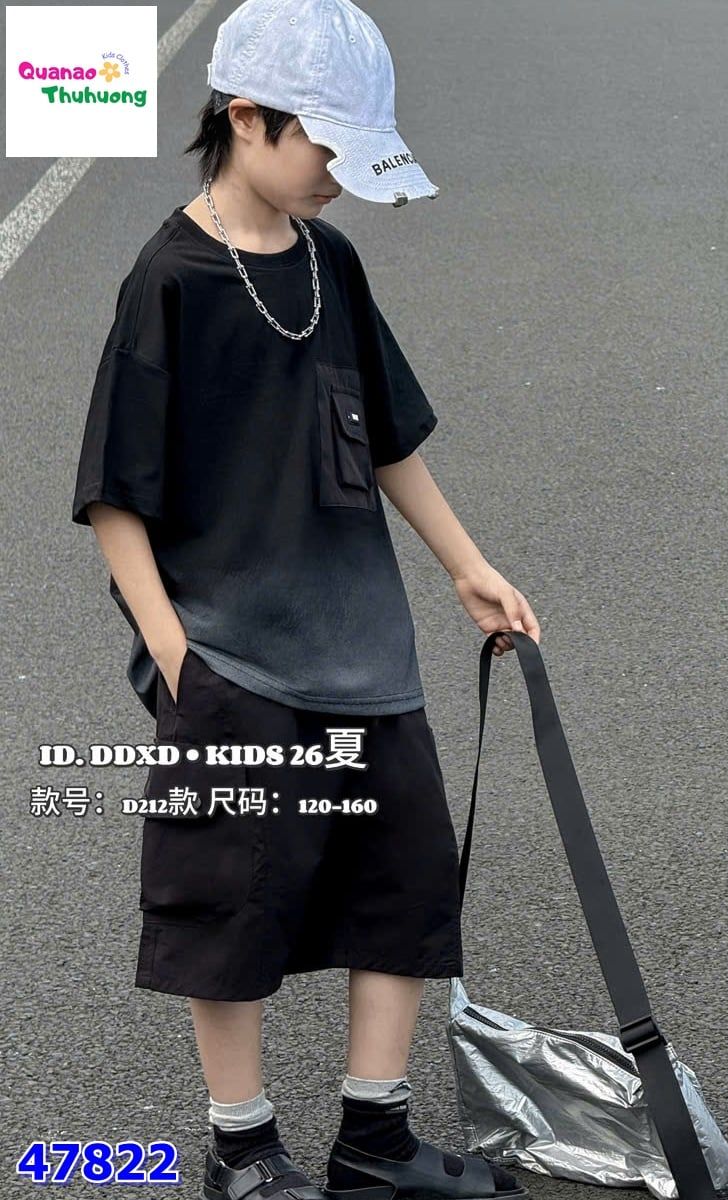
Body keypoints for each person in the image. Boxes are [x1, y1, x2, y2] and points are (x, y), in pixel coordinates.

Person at [70, 2, 540, 1198]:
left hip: (363, 645)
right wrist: (178, 658)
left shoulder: (332, 262)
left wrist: (467, 567)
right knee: (229, 899)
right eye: (328, 147)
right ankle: (243, 1148)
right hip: (232, 656)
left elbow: (383, 438)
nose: (339, 177)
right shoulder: (169, 280)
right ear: (246, 119)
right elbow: (116, 496)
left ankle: (373, 1143)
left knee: (404, 881)